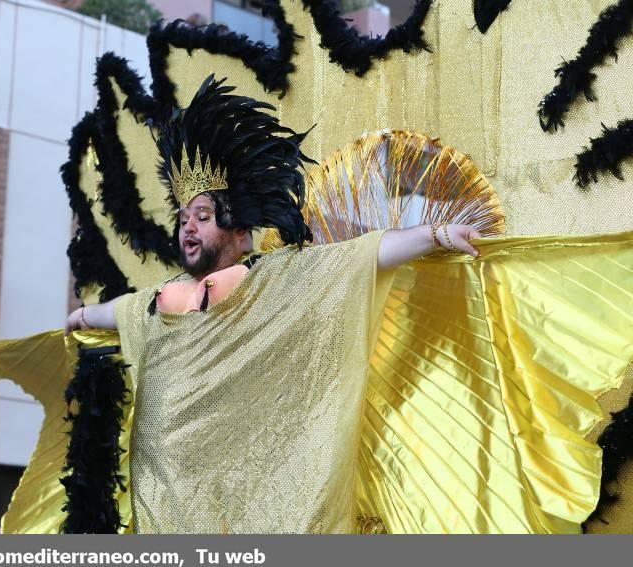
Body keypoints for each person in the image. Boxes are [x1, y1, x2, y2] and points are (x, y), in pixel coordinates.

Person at [64, 76, 484, 533]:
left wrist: (436, 234)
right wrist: (85, 316)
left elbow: (358, 257)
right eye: (184, 219)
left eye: (203, 217)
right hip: (160, 495)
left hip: (236, 492)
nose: (188, 228)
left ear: (239, 233)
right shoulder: (154, 303)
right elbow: (118, 310)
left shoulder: (275, 278)